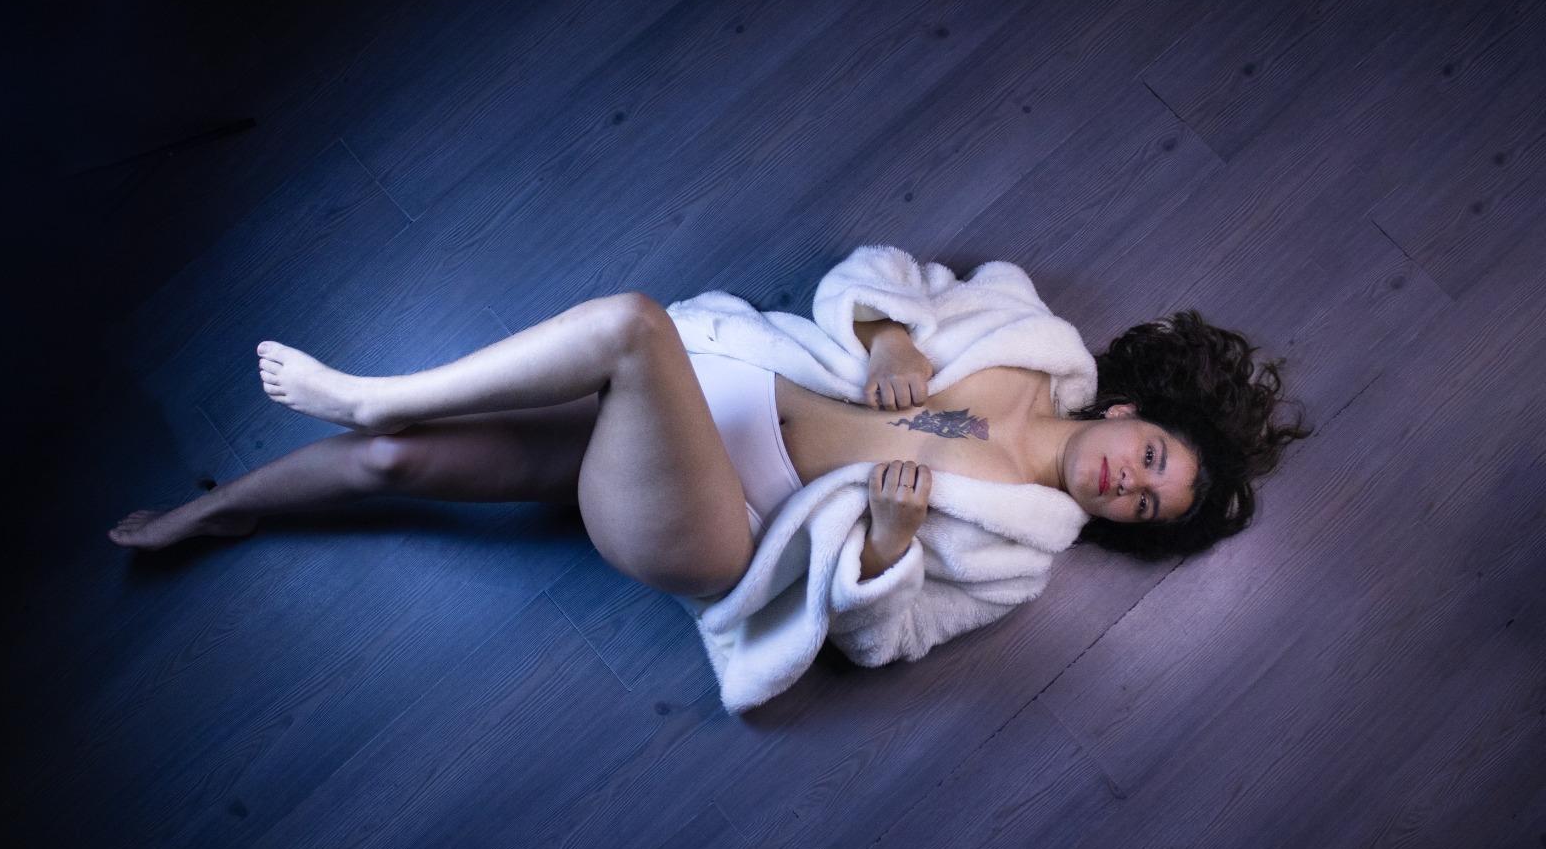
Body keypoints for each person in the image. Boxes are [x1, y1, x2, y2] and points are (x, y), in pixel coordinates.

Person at [109, 287, 1311, 594]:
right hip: (718, 394)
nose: (1125, 485)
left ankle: (378, 392)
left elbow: (885, 634)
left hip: (720, 516)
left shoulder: (1017, 550)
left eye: (1139, 507)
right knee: (396, 468)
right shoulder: (1021, 334)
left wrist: (892, 538)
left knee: (630, 327)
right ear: (1129, 416)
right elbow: (872, 276)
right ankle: (207, 514)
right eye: (1151, 462)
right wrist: (890, 335)